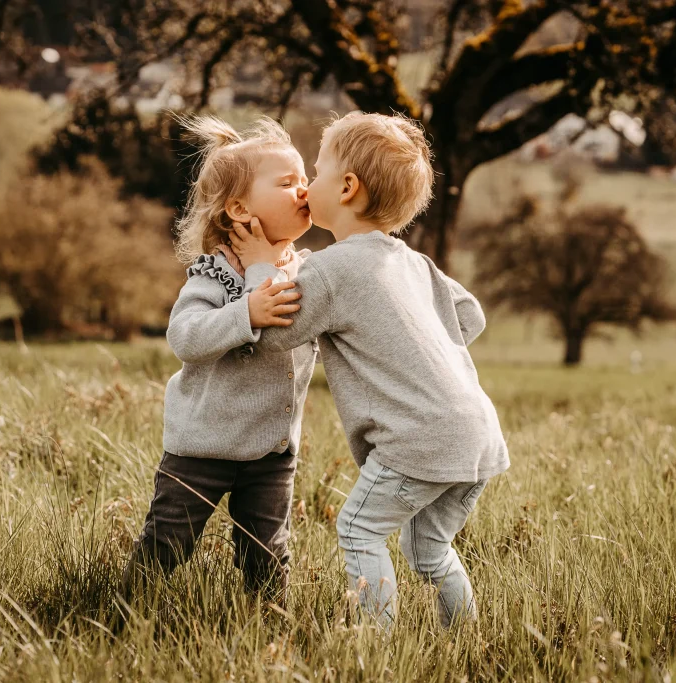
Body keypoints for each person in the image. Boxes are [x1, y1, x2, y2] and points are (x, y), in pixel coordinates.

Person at [231, 112, 510, 627]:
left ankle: (373, 647)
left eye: (315, 173)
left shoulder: (332, 269)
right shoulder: (413, 262)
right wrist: (412, 350)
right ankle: (467, 637)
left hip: (418, 439)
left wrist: (260, 267)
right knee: (429, 549)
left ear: (347, 187)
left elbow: (272, 334)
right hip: (478, 434)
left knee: (359, 530)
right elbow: (470, 315)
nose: (307, 185)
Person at [121, 115, 315, 611]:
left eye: (305, 180)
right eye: (287, 183)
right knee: (168, 543)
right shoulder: (215, 275)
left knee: (267, 553)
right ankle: (129, 612)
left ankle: (271, 626)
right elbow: (185, 337)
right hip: (202, 447)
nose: (304, 190)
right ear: (239, 209)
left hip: (272, 452)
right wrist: (244, 312)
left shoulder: (309, 271)